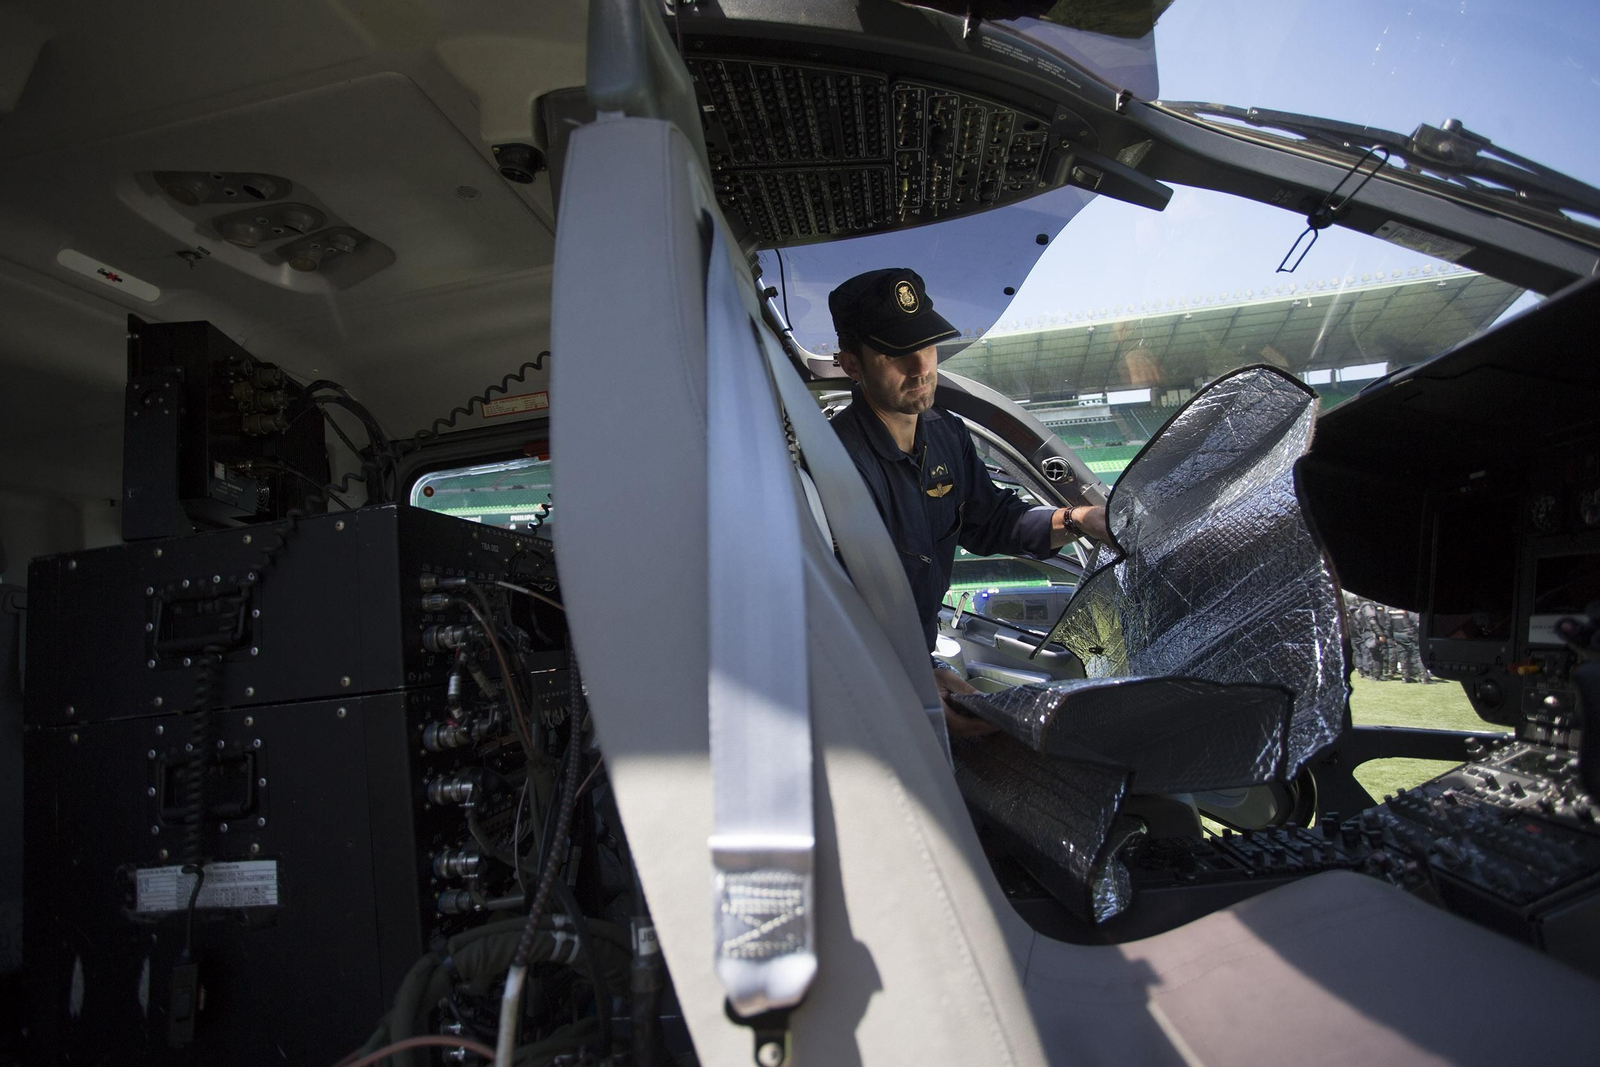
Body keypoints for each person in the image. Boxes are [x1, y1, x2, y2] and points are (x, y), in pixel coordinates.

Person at [826, 267, 1110, 738]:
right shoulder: (829, 462)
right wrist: (913, 681)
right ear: (852, 364)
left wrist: (1078, 518)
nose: (920, 367)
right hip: (860, 683)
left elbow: (992, 520)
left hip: (915, 661)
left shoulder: (947, 434)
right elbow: (837, 614)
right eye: (896, 353)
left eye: (926, 344)